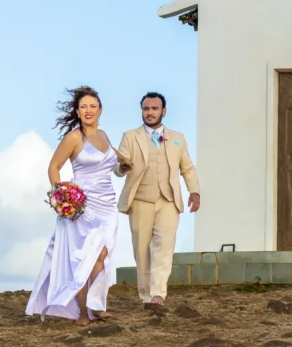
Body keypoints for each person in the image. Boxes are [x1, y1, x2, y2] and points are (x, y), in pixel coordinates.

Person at [25, 86, 131, 325]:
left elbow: (113, 168)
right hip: (82, 205)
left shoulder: (104, 135)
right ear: (77, 111)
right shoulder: (74, 137)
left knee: (102, 255)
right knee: (84, 257)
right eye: (83, 106)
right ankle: (83, 312)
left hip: (107, 204)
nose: (88, 110)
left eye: (93, 106)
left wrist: (123, 167)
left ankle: (96, 305)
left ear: (100, 110)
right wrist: (62, 198)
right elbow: (54, 167)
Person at [113, 92, 200, 306]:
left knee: (164, 246)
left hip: (168, 200)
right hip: (140, 199)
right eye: (146, 109)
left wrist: (194, 191)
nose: (149, 113)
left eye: (154, 109)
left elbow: (187, 167)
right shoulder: (130, 136)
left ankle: (158, 294)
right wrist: (121, 167)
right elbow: (116, 167)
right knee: (142, 250)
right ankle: (145, 295)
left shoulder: (177, 137)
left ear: (164, 111)